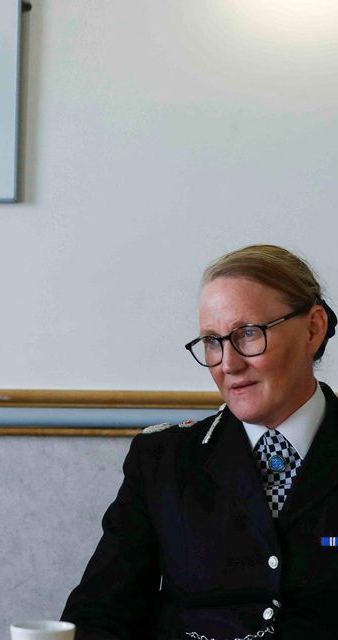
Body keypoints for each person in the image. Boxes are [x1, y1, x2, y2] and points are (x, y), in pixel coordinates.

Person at [62, 244, 338, 639]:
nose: (228, 363)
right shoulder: (163, 461)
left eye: (248, 334)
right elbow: (99, 617)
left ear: (313, 328)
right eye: (212, 341)